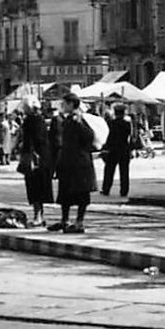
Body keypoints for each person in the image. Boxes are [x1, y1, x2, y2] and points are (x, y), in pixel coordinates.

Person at [48, 92, 97, 232]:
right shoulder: (68, 118)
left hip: (79, 163)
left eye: (64, 103)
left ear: (71, 104)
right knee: (65, 194)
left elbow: (89, 136)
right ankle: (65, 220)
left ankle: (79, 222)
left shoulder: (78, 119)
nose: (62, 106)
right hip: (68, 162)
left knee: (81, 194)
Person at [16, 99, 54, 227]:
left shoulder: (31, 120)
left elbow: (32, 139)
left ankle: (38, 215)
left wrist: (29, 153)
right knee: (38, 187)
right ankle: (39, 215)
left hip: (35, 158)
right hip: (42, 157)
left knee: (35, 187)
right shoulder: (40, 119)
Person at [101, 102, 134, 197]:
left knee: (109, 170)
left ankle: (106, 189)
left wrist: (106, 147)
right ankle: (124, 190)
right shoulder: (127, 124)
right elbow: (130, 136)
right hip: (124, 148)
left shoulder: (111, 123)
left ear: (115, 113)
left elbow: (110, 137)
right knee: (124, 171)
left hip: (113, 149)